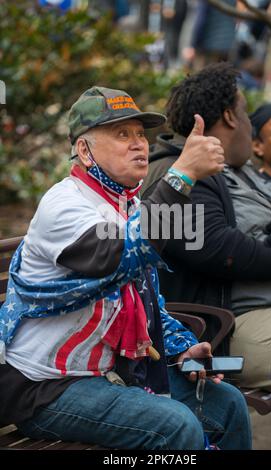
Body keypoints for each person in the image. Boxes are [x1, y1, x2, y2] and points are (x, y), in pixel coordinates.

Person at [0, 86, 251, 450]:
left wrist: (180, 348)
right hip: (46, 386)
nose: (139, 144)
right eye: (122, 134)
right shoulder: (63, 205)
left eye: (140, 134)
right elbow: (123, 256)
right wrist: (181, 175)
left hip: (111, 370)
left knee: (229, 404)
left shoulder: (127, 203)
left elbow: (143, 291)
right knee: (176, 426)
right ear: (84, 151)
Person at [141, 62, 271, 392]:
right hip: (216, 337)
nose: (250, 128)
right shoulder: (179, 170)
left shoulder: (230, 170)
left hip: (265, 312)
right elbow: (218, 248)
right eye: (246, 114)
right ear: (230, 116)